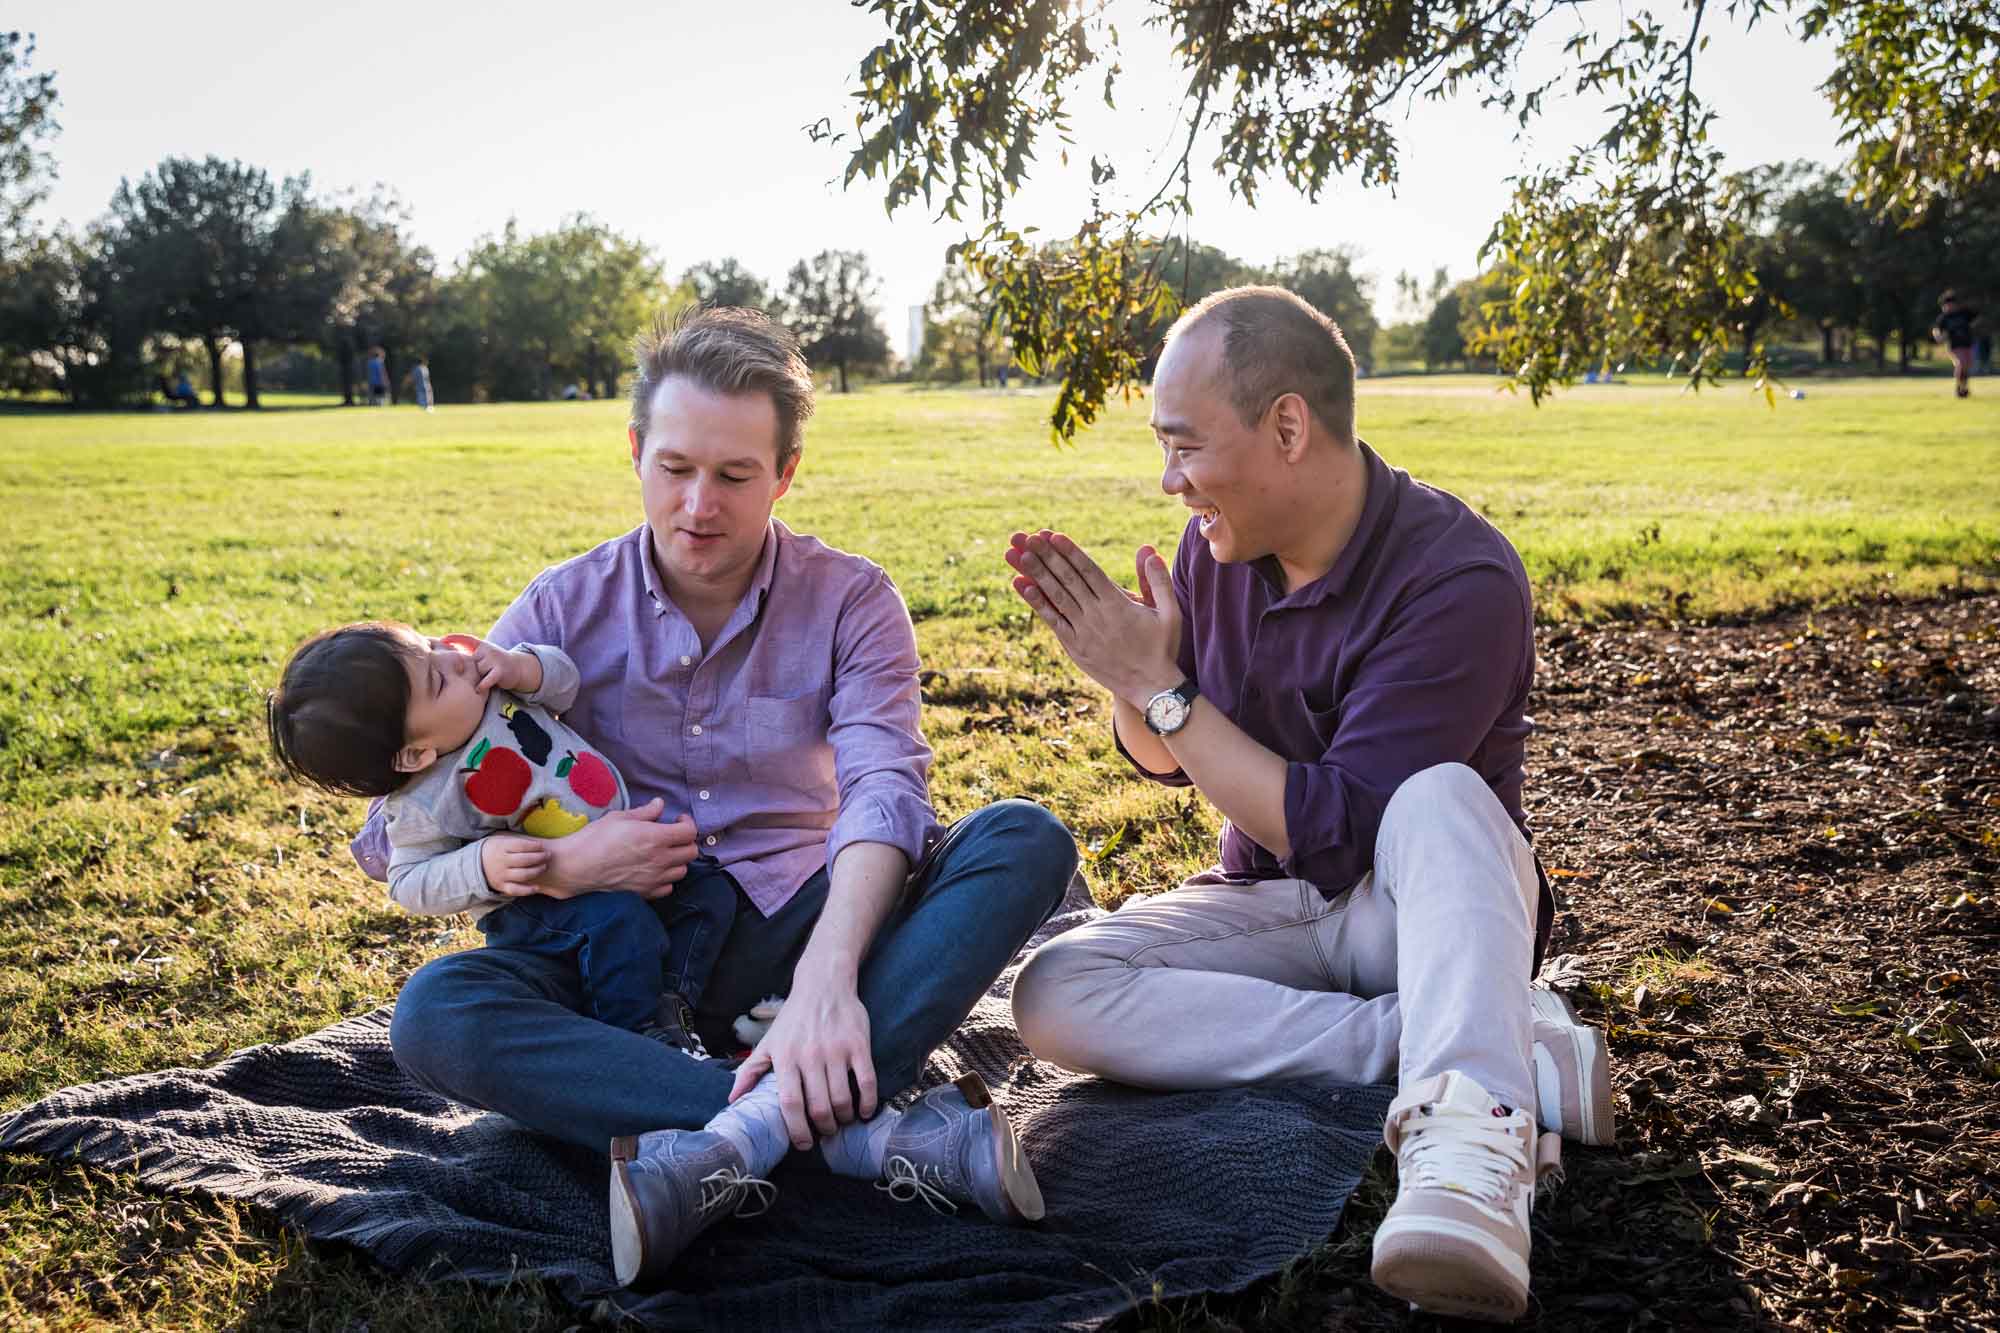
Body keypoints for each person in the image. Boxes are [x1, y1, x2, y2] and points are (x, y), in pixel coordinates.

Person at [350, 305, 1078, 1288]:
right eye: (675, 468)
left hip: (811, 926)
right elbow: (395, 834)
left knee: (1019, 839)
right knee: (437, 1011)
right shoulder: (558, 608)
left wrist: (827, 980)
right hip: (630, 964)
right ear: (635, 450)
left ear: (783, 473)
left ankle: (722, 1129)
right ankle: (854, 1132)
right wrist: (562, 864)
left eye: (736, 476)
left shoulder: (852, 597)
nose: (699, 505)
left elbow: (882, 789)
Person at [1003, 286, 1612, 1323]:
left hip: (1412, 907)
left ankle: (1471, 1135)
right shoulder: (1214, 550)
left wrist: (1162, 690)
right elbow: (1162, 752)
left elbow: (1335, 832)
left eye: (1184, 446)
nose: (1168, 479)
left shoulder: (1458, 576)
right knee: (1053, 990)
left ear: (1286, 426)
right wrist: (1129, 672)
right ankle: (1469, 1036)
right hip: (1272, 902)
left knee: (1437, 796)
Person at [269, 623, 729, 1056]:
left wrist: (525, 667)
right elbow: (406, 881)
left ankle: (672, 996)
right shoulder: (422, 803)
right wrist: (482, 865)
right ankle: (633, 1036)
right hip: (533, 909)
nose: (452, 658)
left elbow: (566, 683)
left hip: (619, 860)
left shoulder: (495, 683)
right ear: (414, 754)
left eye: (431, 644)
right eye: (436, 680)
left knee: (711, 891)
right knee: (620, 923)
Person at [1932, 291, 1979, 398]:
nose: (1947, 307)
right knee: (1960, 364)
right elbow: (1936, 329)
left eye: (1949, 305)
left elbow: (1977, 317)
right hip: (1954, 345)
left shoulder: (1964, 313)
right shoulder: (1944, 317)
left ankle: (1964, 388)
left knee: (1966, 367)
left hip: (1968, 344)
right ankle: (1959, 387)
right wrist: (1938, 336)